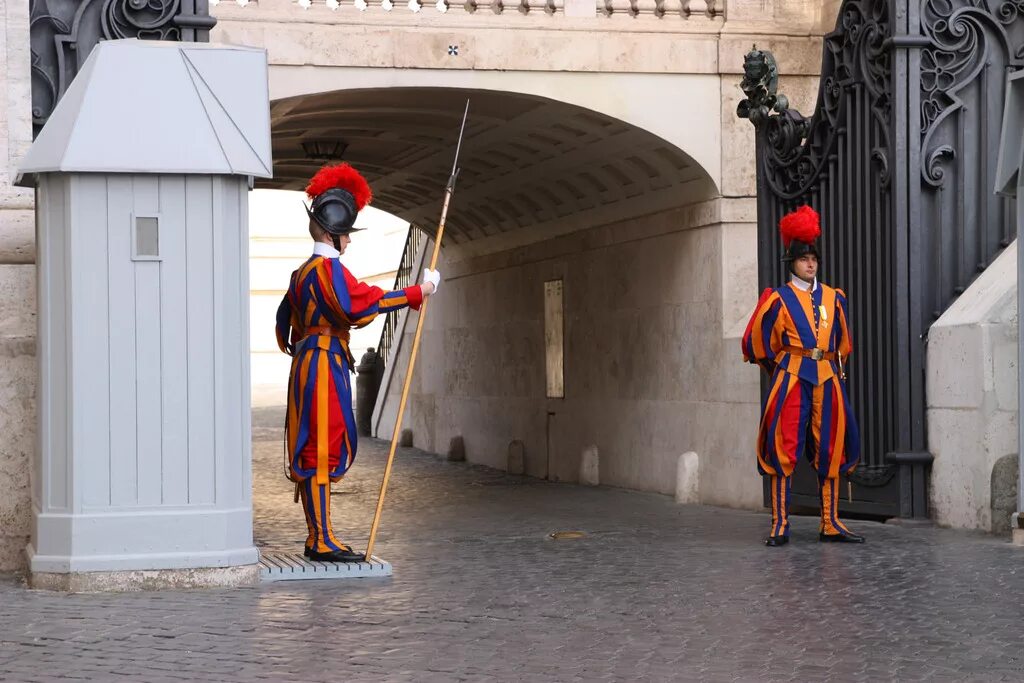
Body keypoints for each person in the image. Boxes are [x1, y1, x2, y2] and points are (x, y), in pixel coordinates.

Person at [276, 163, 441, 562]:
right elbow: (363, 303)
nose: (349, 241)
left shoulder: (301, 273)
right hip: (322, 365)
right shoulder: (327, 270)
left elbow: (283, 325)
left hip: (309, 361)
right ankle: (320, 539)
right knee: (321, 445)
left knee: (319, 443)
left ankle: (321, 533)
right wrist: (420, 290)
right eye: (346, 234)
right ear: (333, 233)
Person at [741, 205, 864, 547]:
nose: (810, 264)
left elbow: (843, 342)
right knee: (785, 446)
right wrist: (783, 369)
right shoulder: (777, 300)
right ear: (791, 262)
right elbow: (759, 344)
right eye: (803, 259)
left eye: (813, 258)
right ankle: (780, 524)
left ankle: (830, 522)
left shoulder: (833, 297)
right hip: (793, 375)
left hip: (826, 376)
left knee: (832, 446)